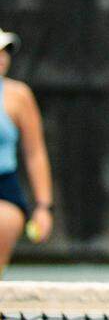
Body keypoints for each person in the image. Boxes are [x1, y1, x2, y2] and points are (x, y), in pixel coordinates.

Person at [0, 28, 54, 276]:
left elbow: (35, 152)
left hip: (5, 189)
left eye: (5, 52)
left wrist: (43, 207)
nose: (2, 58)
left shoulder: (19, 96)